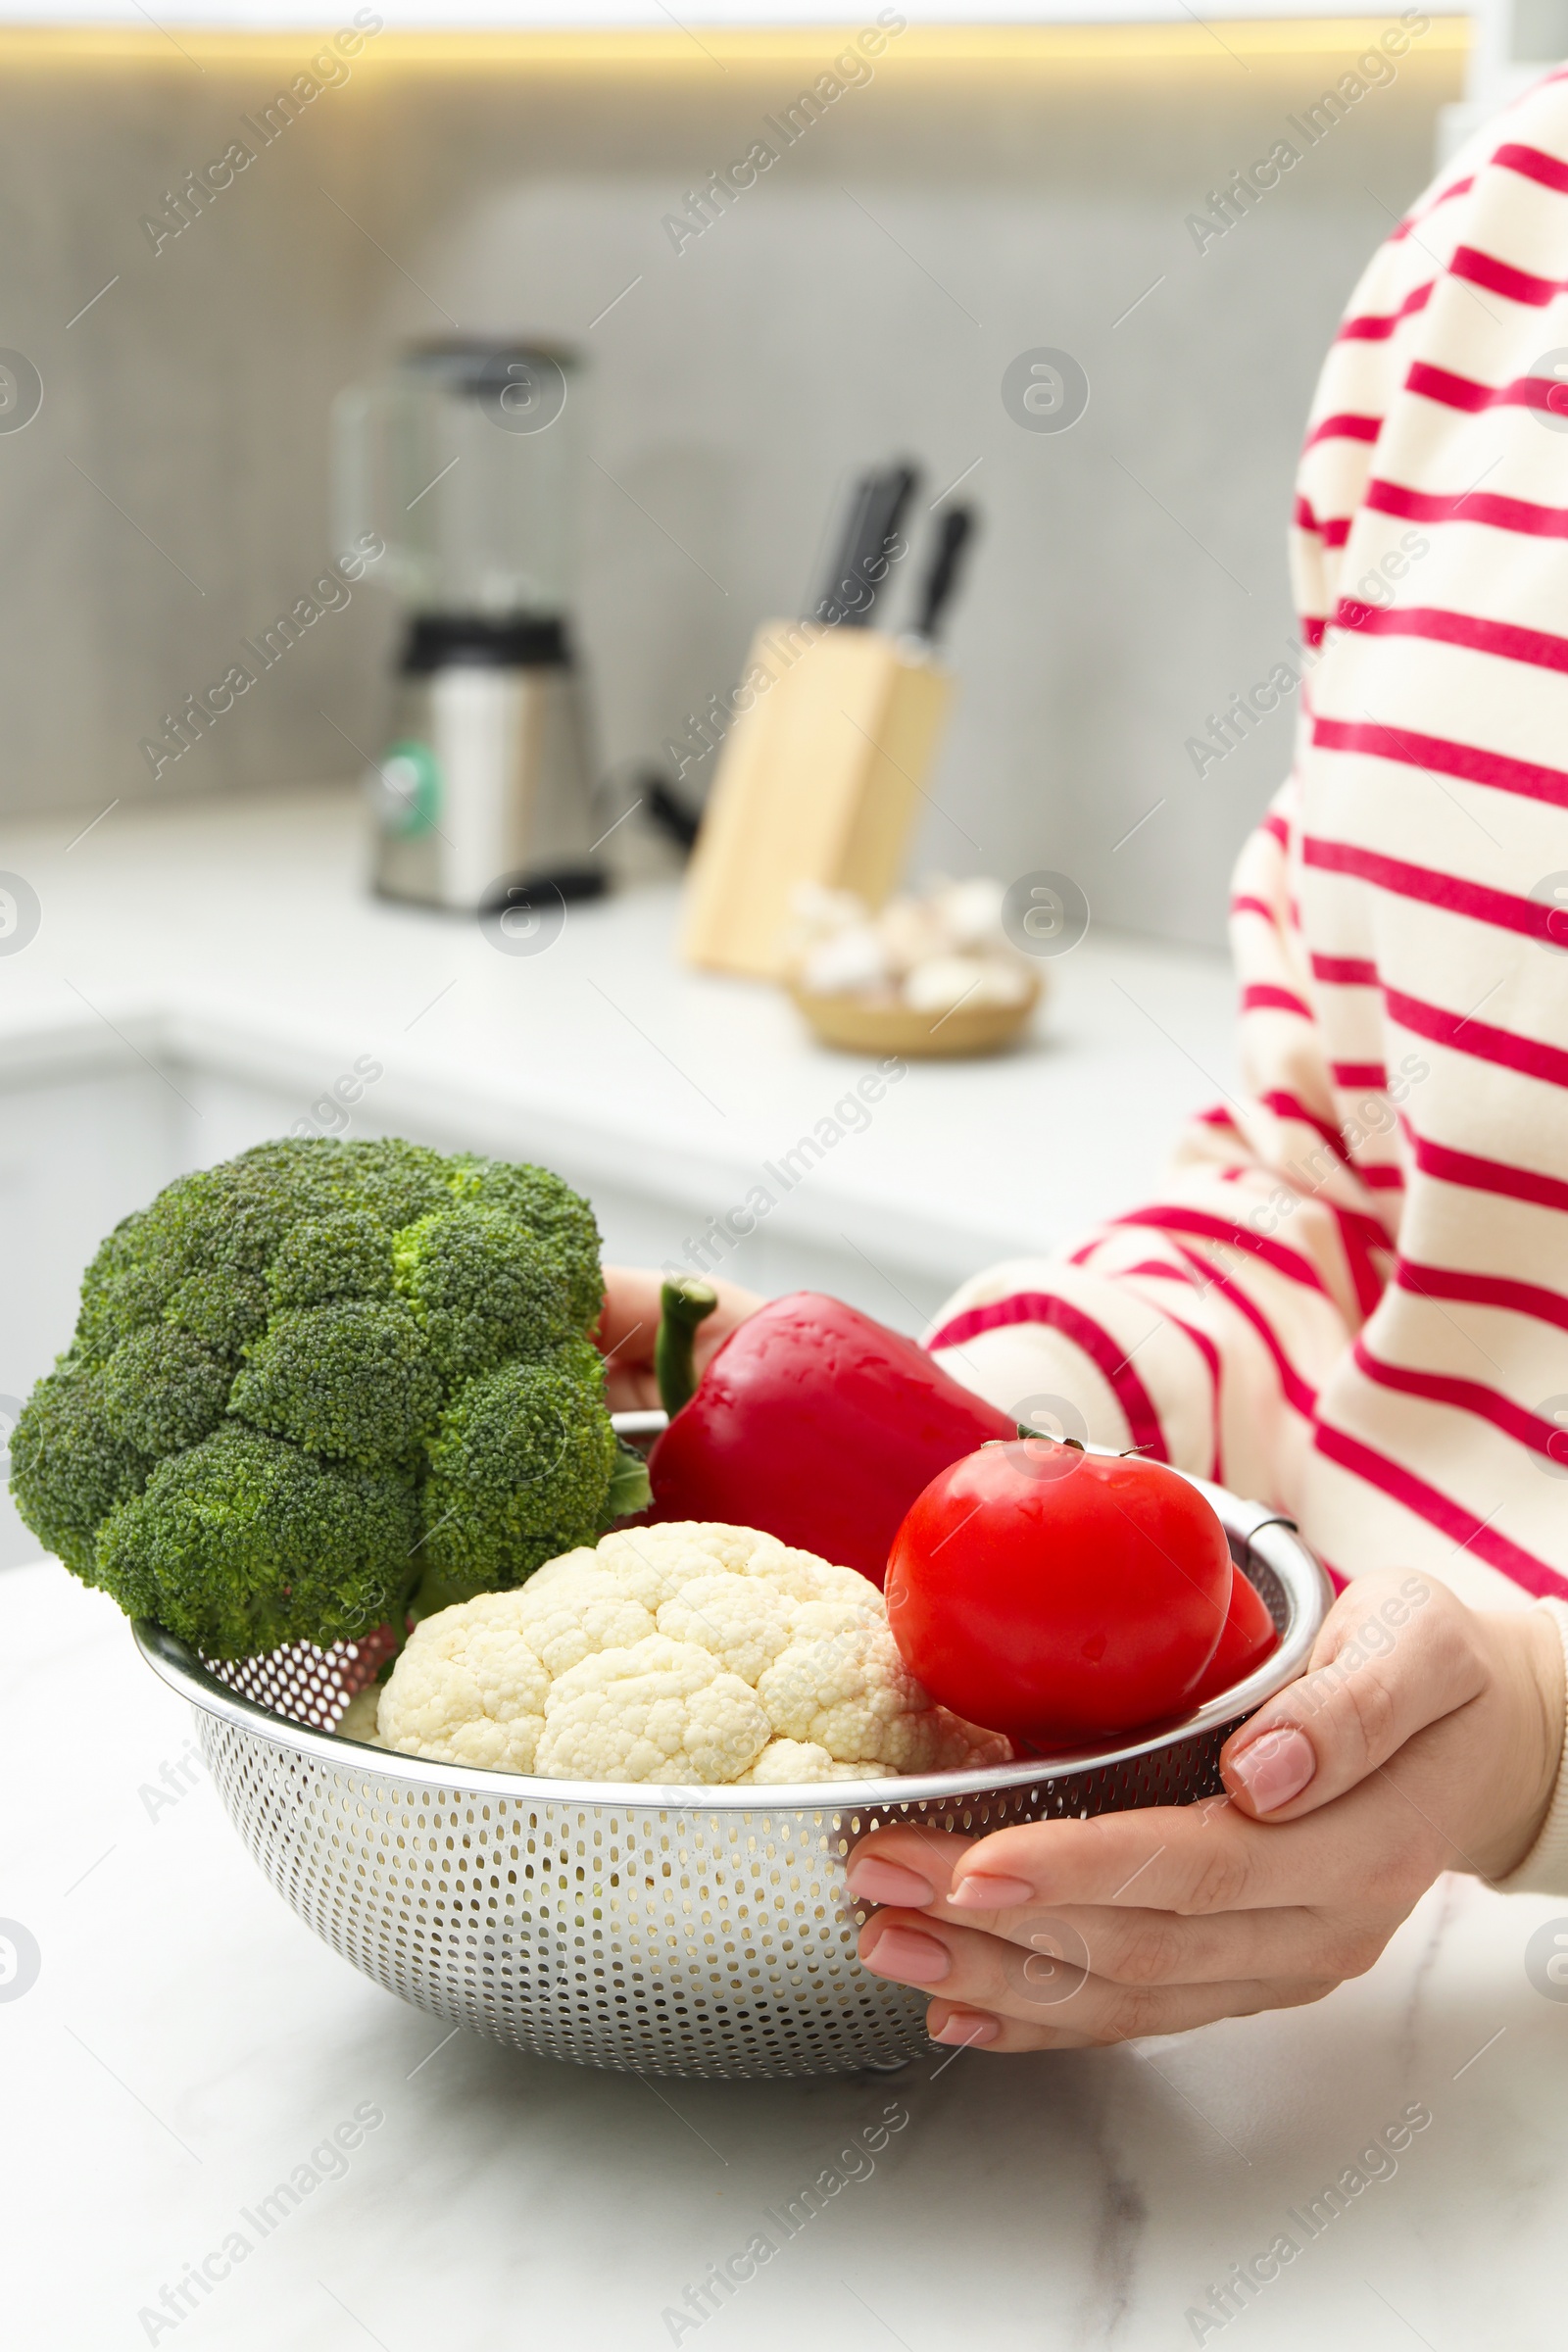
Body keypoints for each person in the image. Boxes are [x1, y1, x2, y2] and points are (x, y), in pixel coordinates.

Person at [593, 74, 1568, 2053]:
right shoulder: (1490, 252)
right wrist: (961, 1449)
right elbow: (1317, 1179)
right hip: (1269, 1996)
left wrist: (1533, 1744)